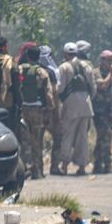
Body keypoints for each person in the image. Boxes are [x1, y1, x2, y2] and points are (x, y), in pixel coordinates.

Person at [57, 42, 95, 176]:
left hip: (71, 105)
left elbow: (60, 88)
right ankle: (82, 167)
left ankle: (65, 166)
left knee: (68, 135)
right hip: (86, 105)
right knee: (82, 137)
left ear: (65, 54)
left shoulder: (64, 67)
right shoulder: (86, 66)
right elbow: (92, 87)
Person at [19, 46, 55, 179]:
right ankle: (38, 170)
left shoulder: (21, 69)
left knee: (24, 140)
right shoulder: (42, 72)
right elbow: (48, 94)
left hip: (23, 109)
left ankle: (26, 168)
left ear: (28, 56)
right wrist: (49, 111)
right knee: (37, 140)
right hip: (37, 110)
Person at [91, 50, 112, 174]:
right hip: (99, 110)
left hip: (108, 111)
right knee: (104, 136)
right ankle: (102, 164)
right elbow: (102, 86)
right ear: (102, 61)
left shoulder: (109, 74)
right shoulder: (96, 73)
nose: (111, 63)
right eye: (109, 60)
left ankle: (103, 164)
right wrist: (111, 74)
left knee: (106, 137)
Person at [39, 45, 64, 175]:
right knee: (58, 136)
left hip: (36, 110)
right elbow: (54, 93)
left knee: (37, 139)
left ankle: (38, 168)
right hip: (50, 110)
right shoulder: (51, 72)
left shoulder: (35, 70)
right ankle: (54, 166)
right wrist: (56, 113)